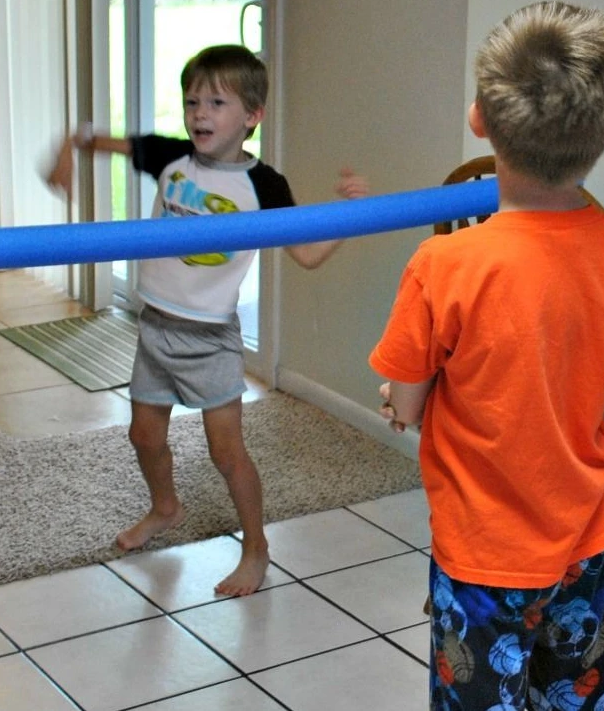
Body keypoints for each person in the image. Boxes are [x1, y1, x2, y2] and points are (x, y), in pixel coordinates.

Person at [369, 1, 604, 710]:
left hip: (484, 552)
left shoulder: (444, 265)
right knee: (570, 698)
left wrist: (397, 402)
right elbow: (600, 376)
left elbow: (406, 400)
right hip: (588, 539)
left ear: (479, 118)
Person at [48, 44, 368, 597]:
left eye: (217, 102)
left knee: (227, 453)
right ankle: (165, 507)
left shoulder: (262, 186)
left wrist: (352, 213)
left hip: (210, 338)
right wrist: (65, 153)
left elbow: (309, 254)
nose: (200, 113)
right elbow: (93, 139)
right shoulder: (171, 157)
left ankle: (257, 548)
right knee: (143, 435)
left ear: (251, 116)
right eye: (193, 100)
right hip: (155, 328)